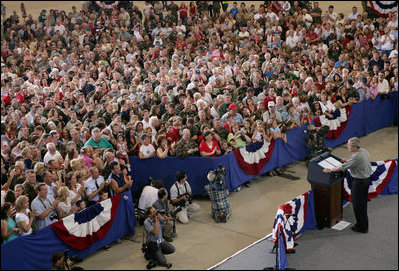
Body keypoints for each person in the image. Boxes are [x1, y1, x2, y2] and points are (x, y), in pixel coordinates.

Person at [323, 137, 372, 233]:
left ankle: (362, 227)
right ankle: (362, 224)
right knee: (362, 205)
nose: (347, 147)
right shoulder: (363, 151)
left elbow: (342, 167)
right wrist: (348, 161)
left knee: (358, 206)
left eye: (348, 145)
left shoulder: (357, 156)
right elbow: (354, 162)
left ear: (354, 147)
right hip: (365, 181)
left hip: (359, 183)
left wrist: (331, 170)